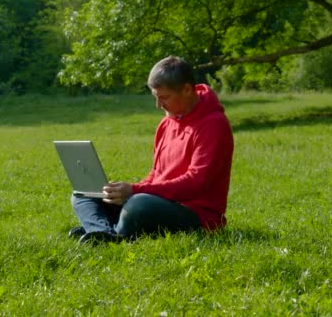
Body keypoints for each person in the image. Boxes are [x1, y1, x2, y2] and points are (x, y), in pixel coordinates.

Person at [70, 56, 234, 243]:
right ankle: (101, 231)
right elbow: (157, 173)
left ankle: (110, 233)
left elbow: (196, 182)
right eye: (155, 97)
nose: (158, 105)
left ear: (188, 90)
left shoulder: (214, 125)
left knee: (139, 204)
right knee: (84, 193)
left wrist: (135, 191)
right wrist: (123, 191)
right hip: (159, 202)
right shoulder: (166, 123)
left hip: (197, 214)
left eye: (164, 97)